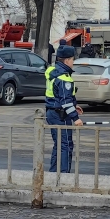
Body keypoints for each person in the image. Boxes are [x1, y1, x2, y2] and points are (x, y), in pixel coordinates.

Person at [45, 45, 83, 173]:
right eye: (72, 59)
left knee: (59, 145)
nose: (73, 62)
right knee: (66, 145)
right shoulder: (64, 78)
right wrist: (75, 118)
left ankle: (54, 173)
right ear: (67, 61)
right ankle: (64, 175)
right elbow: (65, 101)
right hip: (61, 115)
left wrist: (74, 105)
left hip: (52, 112)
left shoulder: (53, 71)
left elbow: (59, 95)